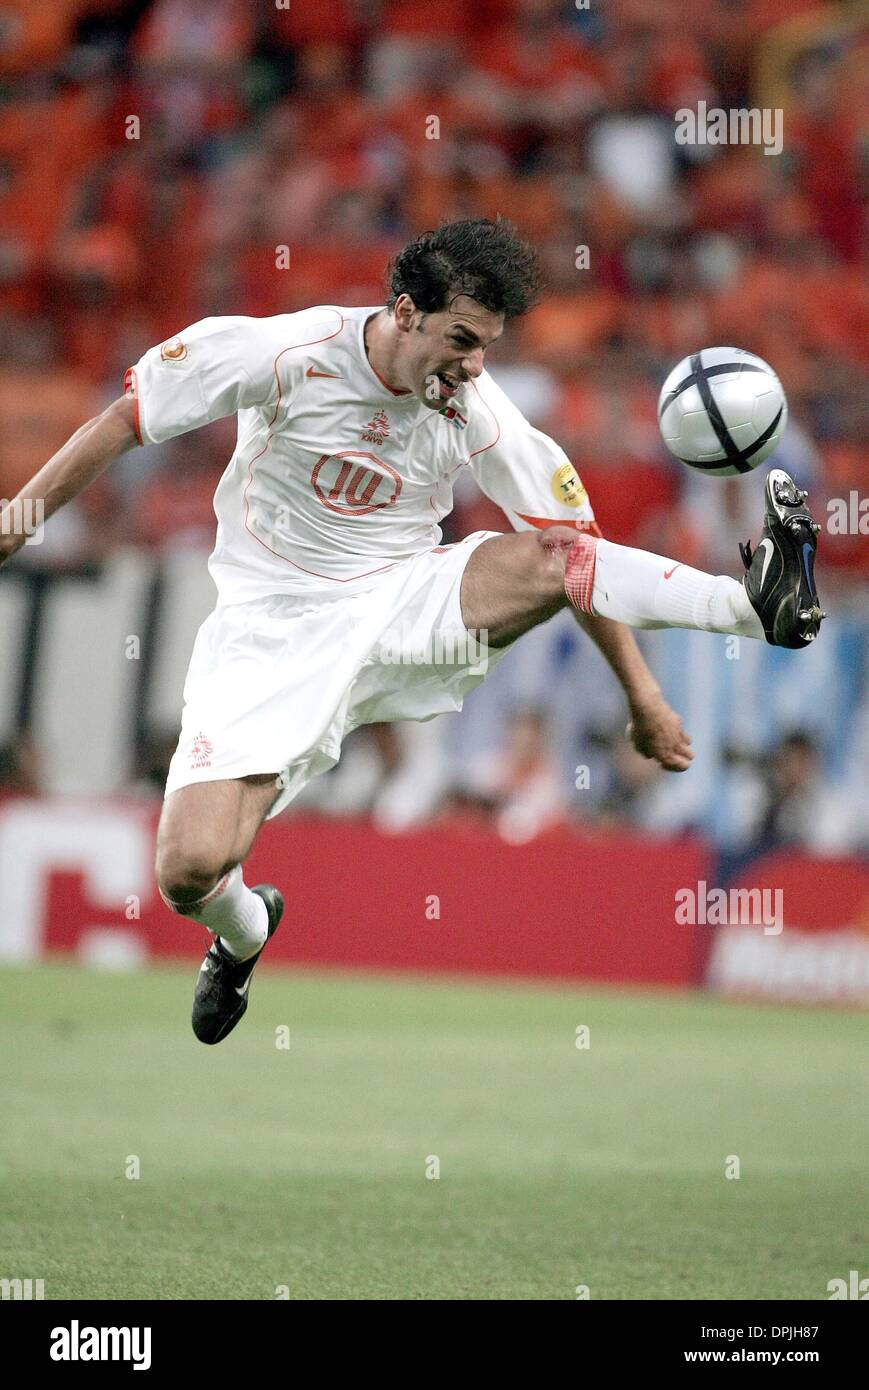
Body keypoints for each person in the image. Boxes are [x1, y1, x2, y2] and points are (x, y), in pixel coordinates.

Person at [0, 218, 824, 1044]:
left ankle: (756, 607)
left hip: (405, 604)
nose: (472, 365)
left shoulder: (478, 408)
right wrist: (18, 519)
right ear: (404, 311)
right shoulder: (287, 353)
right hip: (268, 629)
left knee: (550, 553)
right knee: (187, 871)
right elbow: (126, 417)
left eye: (487, 348)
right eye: (461, 340)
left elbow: (579, 547)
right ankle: (245, 932)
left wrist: (641, 696)